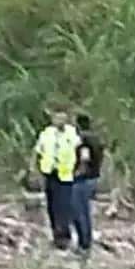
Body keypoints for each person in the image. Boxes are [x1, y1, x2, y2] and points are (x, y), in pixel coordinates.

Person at [33, 105, 81, 250]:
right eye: (56, 117)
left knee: (64, 205)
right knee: (52, 205)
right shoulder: (46, 134)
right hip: (49, 173)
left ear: (66, 118)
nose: (59, 120)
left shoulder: (72, 134)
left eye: (62, 117)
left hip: (66, 174)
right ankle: (56, 234)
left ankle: (65, 236)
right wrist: (34, 169)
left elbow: (80, 152)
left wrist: (79, 169)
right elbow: (38, 151)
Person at [72, 110, 103, 255]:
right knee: (86, 212)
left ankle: (83, 244)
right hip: (94, 178)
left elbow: (85, 158)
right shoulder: (97, 139)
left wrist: (77, 173)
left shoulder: (83, 140)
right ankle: (87, 242)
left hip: (82, 180)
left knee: (78, 212)